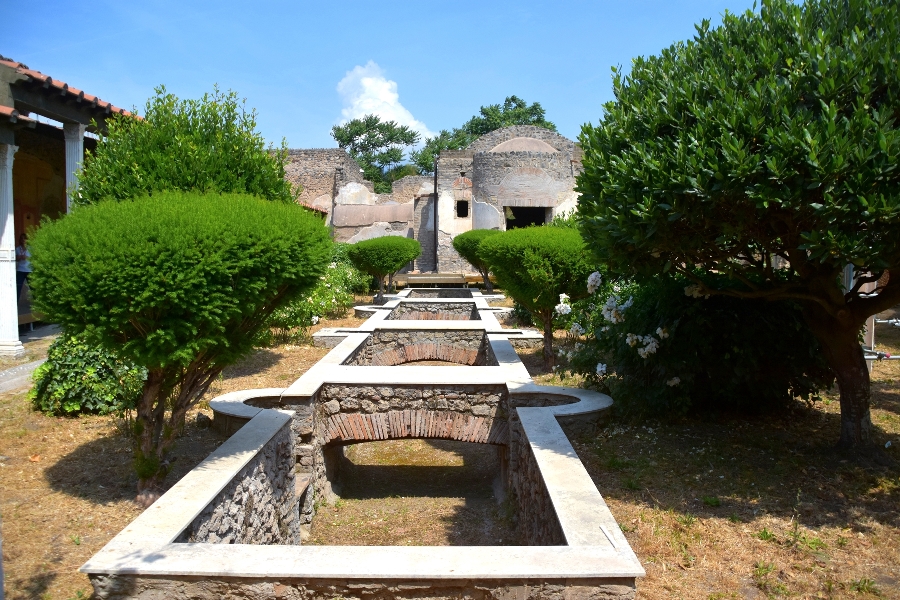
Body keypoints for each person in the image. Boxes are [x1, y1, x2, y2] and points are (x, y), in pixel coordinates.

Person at [15, 233, 31, 300]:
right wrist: (19, 257)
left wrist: (27, 257)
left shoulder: (31, 248)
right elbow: (15, 259)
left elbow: (35, 258)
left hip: (29, 270)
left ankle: (38, 306)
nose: (23, 240)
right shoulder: (18, 249)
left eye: (25, 238)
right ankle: (16, 304)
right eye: (22, 238)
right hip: (20, 270)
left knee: (33, 287)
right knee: (18, 287)